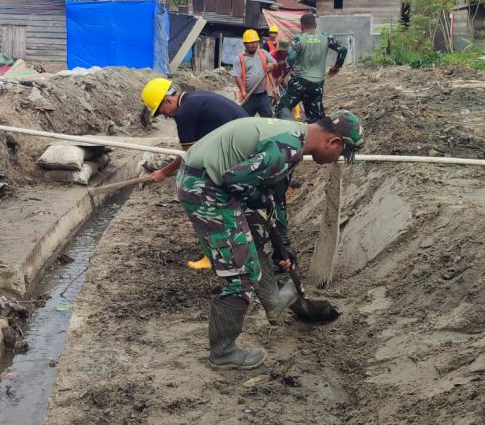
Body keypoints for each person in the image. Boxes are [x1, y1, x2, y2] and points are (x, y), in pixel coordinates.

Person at [176, 110, 364, 369]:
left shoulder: (294, 139)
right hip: (205, 188)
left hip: (212, 182)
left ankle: (274, 302)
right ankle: (223, 352)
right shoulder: (285, 149)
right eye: (341, 154)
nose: (337, 160)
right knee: (241, 274)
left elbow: (276, 196)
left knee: (261, 235)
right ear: (334, 142)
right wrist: (257, 197)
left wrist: (283, 245)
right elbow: (234, 180)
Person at [141, 77, 248, 270]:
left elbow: (188, 156)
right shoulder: (195, 99)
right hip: (242, 149)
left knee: (197, 196)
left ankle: (215, 254)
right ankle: (234, 248)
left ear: (168, 100)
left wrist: (163, 172)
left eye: (161, 111)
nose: (164, 116)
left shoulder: (185, 113)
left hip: (239, 154)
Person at [276, 12, 348, 122]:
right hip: (317, 85)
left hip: (300, 82)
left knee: (282, 109)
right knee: (316, 119)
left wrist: (282, 76)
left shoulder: (298, 39)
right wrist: (337, 66)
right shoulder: (326, 37)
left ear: (301, 26)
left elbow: (290, 58)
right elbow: (343, 49)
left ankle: (290, 132)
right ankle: (318, 136)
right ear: (315, 25)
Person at [232, 29, 277, 117]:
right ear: (245, 44)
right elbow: (237, 77)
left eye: (255, 42)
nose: (253, 44)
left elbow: (275, 63)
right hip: (248, 96)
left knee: (268, 118)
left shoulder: (263, 53)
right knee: (244, 119)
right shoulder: (239, 58)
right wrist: (243, 91)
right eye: (250, 42)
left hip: (262, 95)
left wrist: (271, 64)